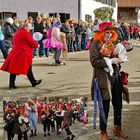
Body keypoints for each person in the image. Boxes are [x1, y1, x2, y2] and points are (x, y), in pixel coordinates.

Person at [89, 22, 128, 140]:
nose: (109, 34)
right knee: (104, 105)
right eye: (107, 32)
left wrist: (121, 55)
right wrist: (110, 62)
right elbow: (94, 61)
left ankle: (117, 128)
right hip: (102, 79)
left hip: (115, 76)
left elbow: (125, 48)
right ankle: (103, 132)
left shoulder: (114, 42)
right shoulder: (95, 43)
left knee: (118, 103)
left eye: (111, 32)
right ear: (101, 33)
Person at [0, 20, 42, 89]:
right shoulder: (25, 33)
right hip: (23, 53)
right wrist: (37, 45)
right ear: (25, 27)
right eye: (29, 28)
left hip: (16, 52)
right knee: (27, 67)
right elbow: (31, 42)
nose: (29, 30)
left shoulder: (17, 32)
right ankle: (32, 82)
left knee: (14, 69)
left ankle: (12, 84)